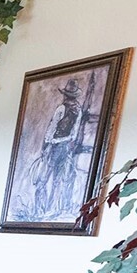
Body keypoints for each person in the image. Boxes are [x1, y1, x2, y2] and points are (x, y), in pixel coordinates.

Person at [27, 78, 93, 218]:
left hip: (54, 147)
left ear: (66, 95)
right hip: (65, 147)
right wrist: (66, 142)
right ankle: (51, 209)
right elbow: (74, 134)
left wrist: (46, 146)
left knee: (43, 178)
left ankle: (40, 211)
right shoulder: (78, 111)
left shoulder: (61, 108)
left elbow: (51, 130)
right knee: (57, 180)